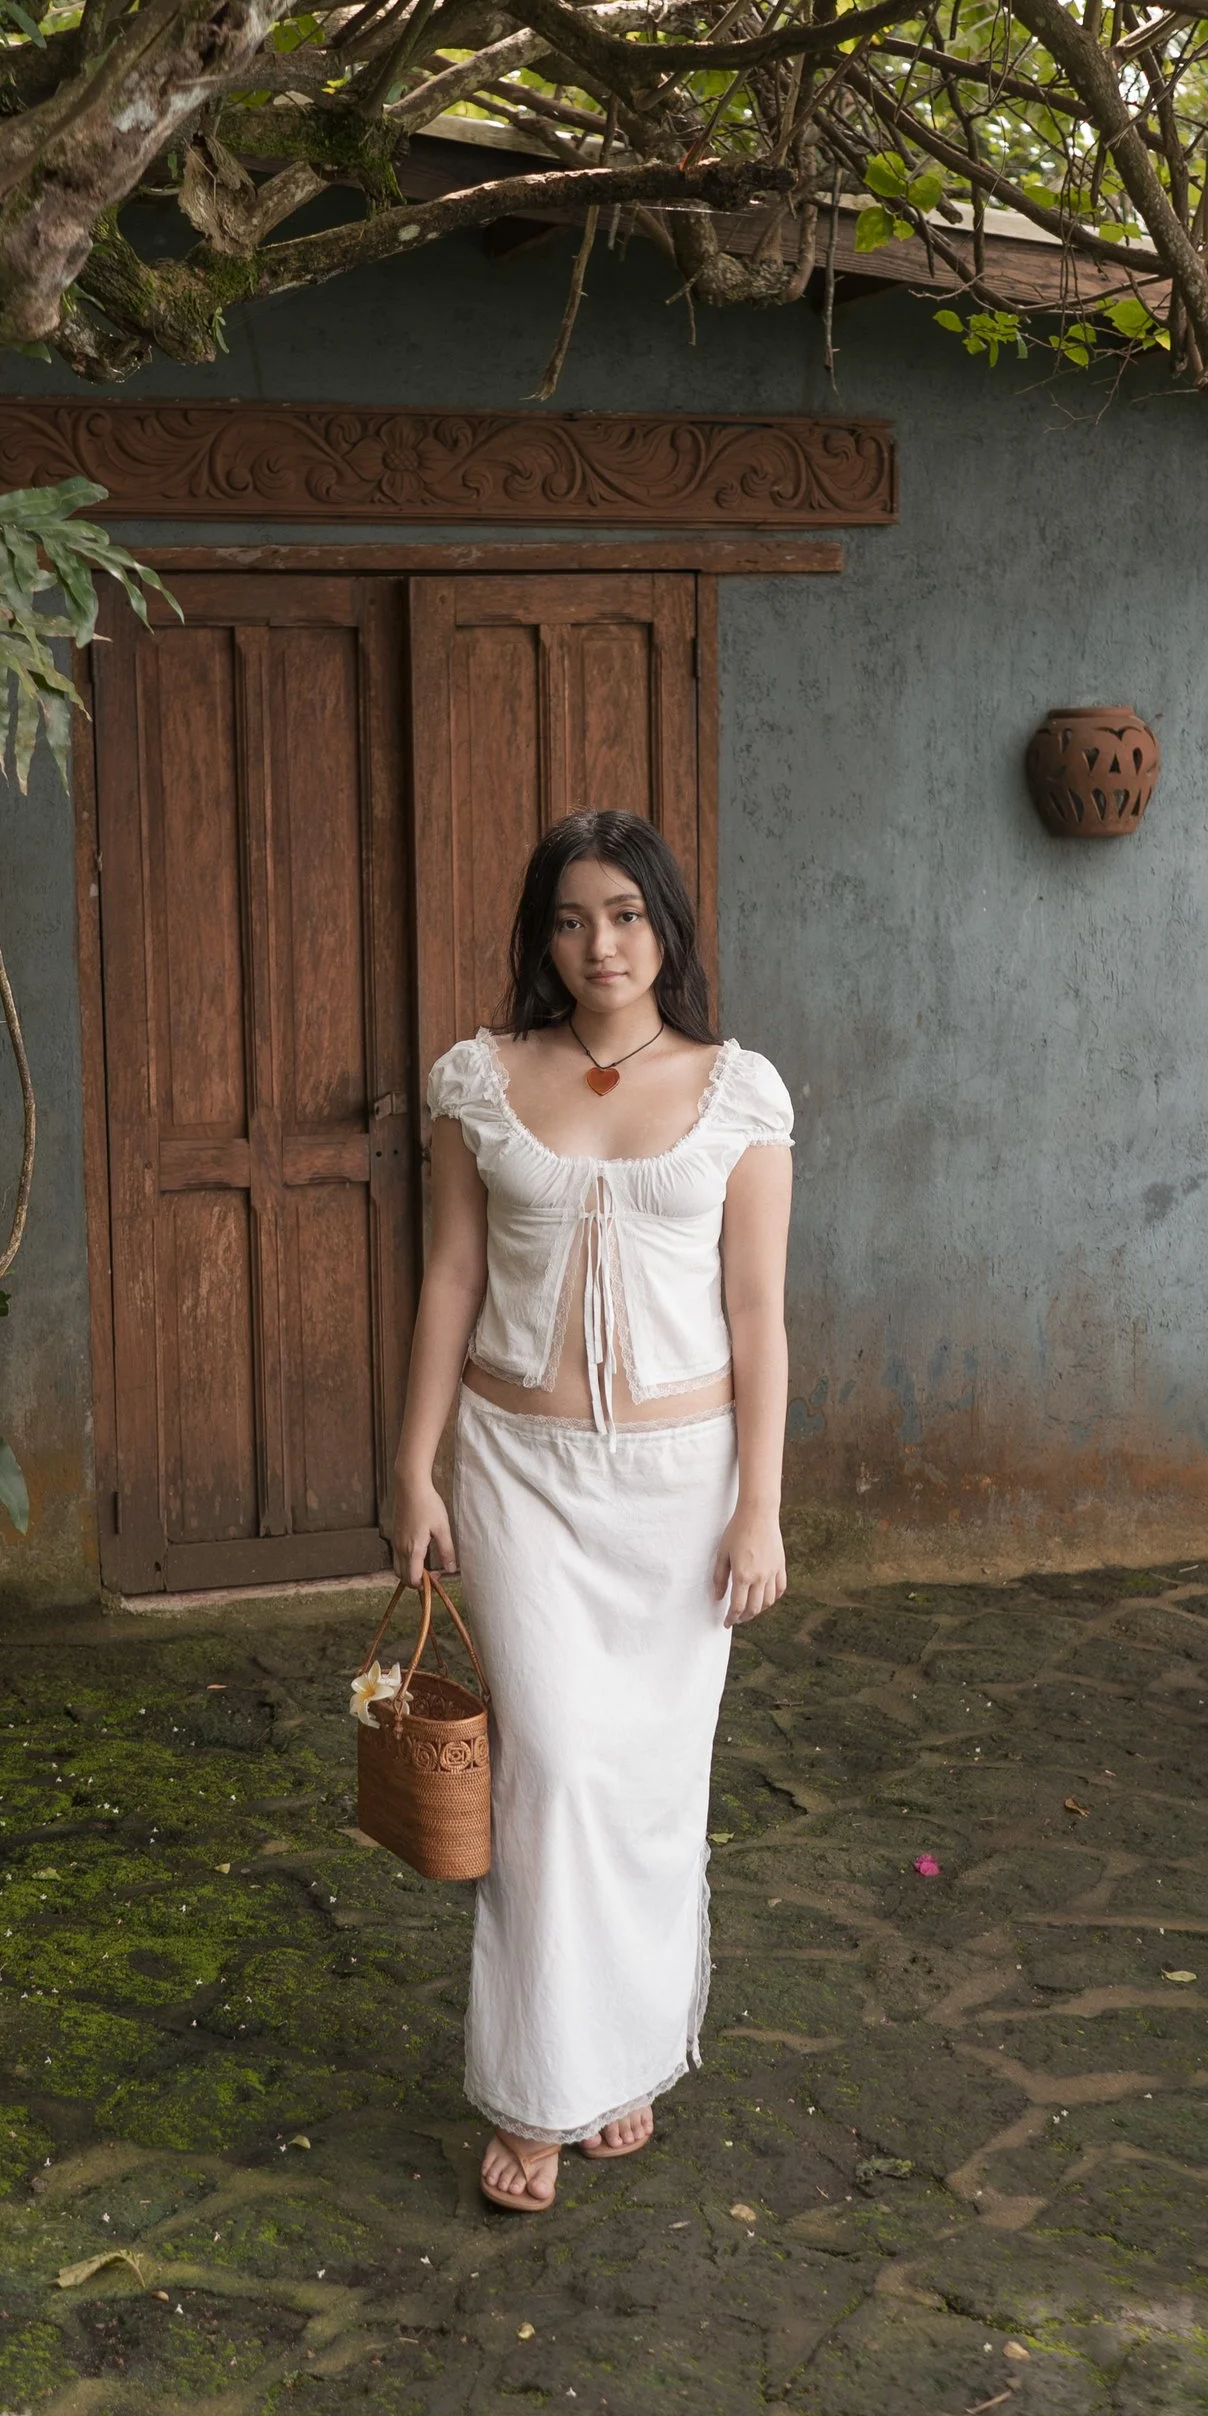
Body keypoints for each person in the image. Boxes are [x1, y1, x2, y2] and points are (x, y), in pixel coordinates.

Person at [389, 810, 795, 2214]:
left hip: (682, 1495)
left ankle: (620, 2058)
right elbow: (448, 1277)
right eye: (570, 919)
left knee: (645, 1796)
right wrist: (412, 1463)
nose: (600, 944)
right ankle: (536, 2093)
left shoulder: (739, 1095)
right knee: (553, 1772)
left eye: (625, 913)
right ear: (539, 937)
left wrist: (763, 1510)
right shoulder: (481, 1082)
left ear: (666, 926)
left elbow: (760, 1316)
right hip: (522, 1477)